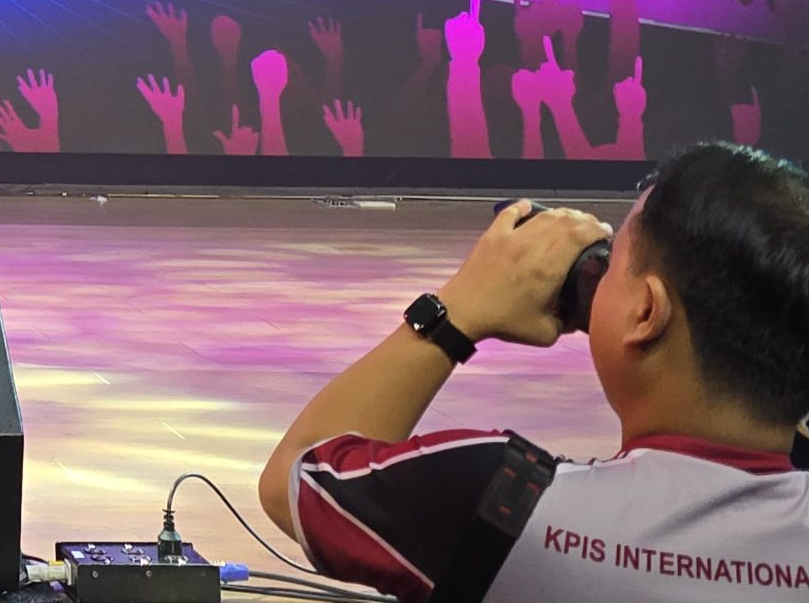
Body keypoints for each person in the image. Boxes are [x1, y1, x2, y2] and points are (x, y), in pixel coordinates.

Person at [259, 142, 809, 601]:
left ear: (645, 312)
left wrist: (458, 312)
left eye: (614, 261)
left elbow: (294, 475)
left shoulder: (502, 502)